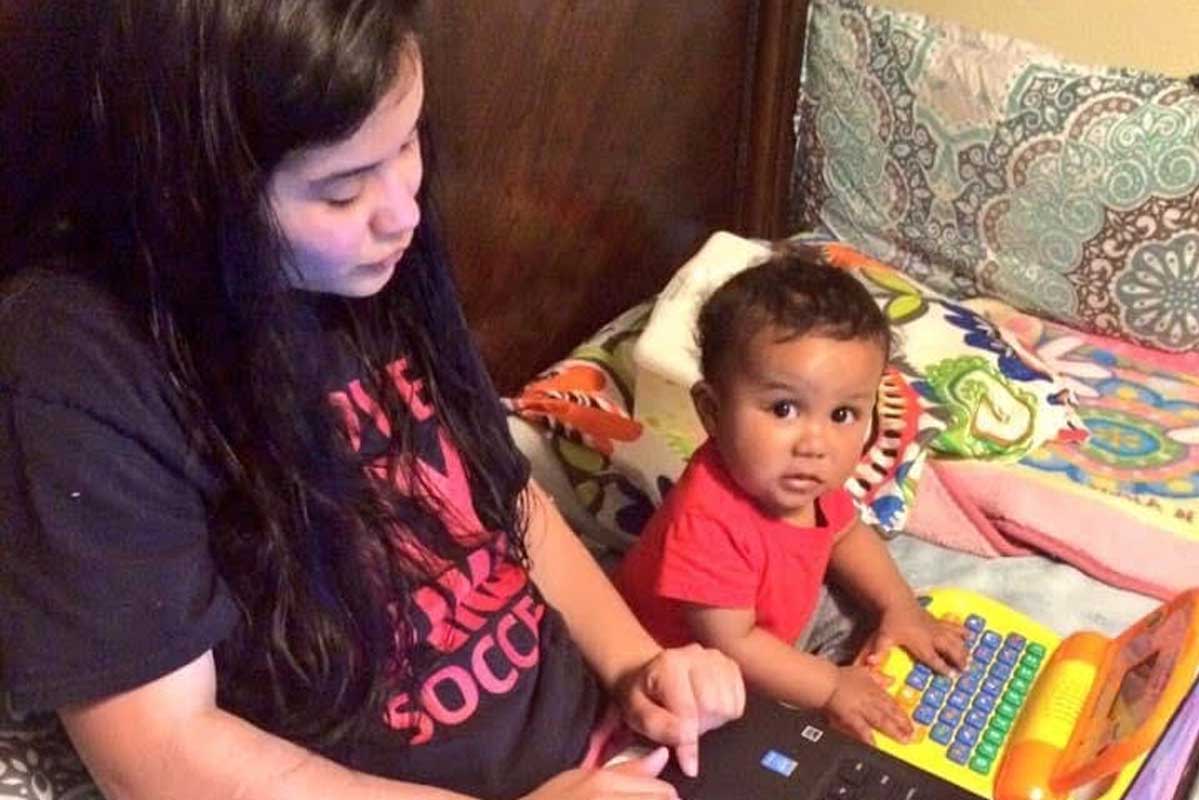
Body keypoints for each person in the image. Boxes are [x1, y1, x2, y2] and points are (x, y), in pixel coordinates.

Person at [0, 2, 745, 799]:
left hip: (605, 755)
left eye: (409, 143)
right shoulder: (75, 363)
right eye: (344, 189)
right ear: (191, 191)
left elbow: (506, 497)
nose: (404, 214)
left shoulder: (369, 260)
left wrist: (642, 671)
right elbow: (163, 756)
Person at [615, 251, 969, 744]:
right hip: (704, 667)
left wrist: (899, 605)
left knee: (899, 636)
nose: (815, 443)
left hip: (778, 622)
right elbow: (733, 645)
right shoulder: (708, 518)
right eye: (784, 408)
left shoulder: (798, 473)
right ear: (712, 412)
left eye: (843, 414)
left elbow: (844, 532)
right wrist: (830, 687)